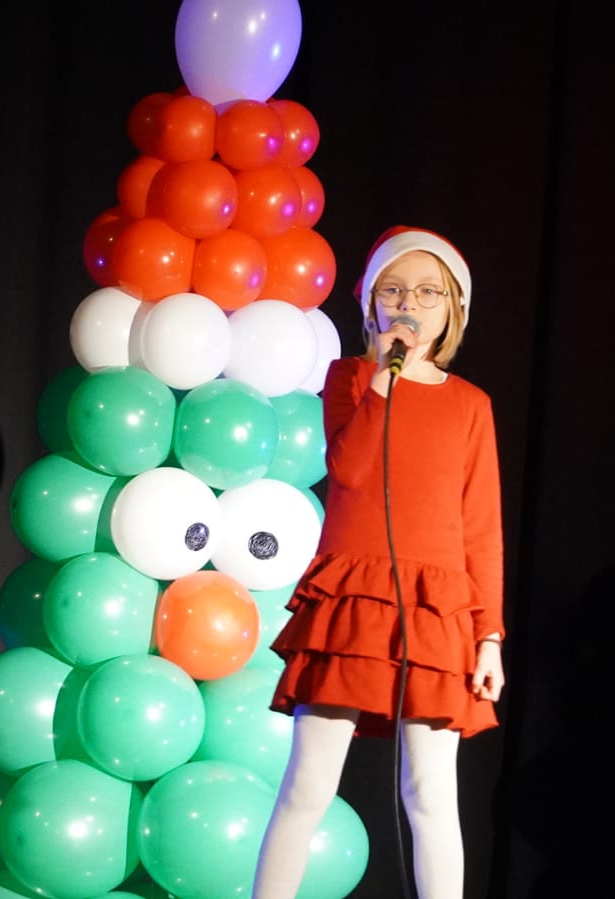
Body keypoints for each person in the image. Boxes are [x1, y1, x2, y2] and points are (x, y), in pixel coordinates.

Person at [253, 225, 506, 899]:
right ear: (370, 304)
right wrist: (385, 382)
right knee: (308, 784)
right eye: (393, 290)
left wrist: (488, 635)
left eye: (426, 292)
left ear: (452, 307)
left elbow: (482, 529)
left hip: (437, 610)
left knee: (430, 793)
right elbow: (349, 469)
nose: (408, 304)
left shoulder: (471, 405)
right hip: (353, 600)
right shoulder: (349, 379)